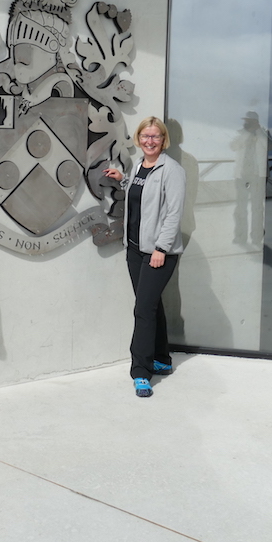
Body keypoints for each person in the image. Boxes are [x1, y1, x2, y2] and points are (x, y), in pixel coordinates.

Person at [103, 117, 186, 398]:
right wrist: (123, 180)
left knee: (142, 309)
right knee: (151, 305)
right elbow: (144, 194)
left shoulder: (172, 170)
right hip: (135, 250)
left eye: (155, 137)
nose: (150, 141)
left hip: (158, 252)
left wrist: (161, 248)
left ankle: (141, 371)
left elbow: (174, 213)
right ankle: (162, 358)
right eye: (145, 136)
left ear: (164, 140)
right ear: (139, 139)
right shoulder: (139, 165)